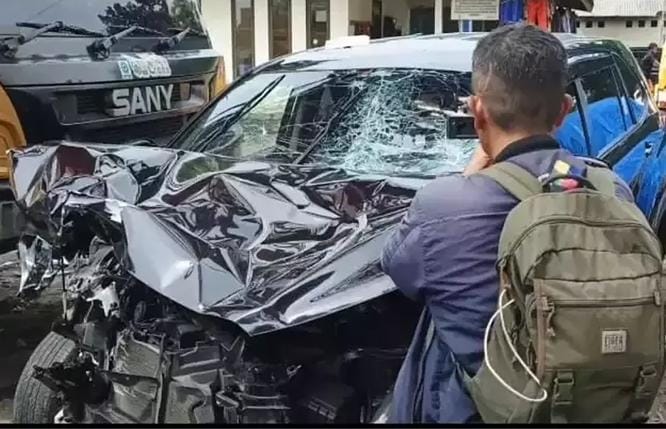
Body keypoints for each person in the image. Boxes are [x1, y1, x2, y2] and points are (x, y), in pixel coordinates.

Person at [381, 24, 634, 424]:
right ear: (565, 109)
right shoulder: (610, 188)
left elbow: (398, 269)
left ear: (477, 110)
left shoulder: (442, 205)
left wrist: (468, 176)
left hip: (479, 410)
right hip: (587, 406)